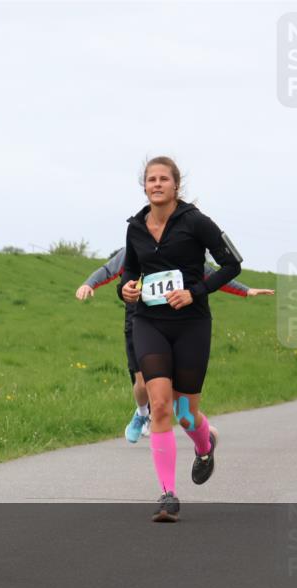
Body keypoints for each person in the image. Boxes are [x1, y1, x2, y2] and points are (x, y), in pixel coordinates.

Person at [117, 156, 242, 522]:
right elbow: (130, 272)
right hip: (149, 322)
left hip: (190, 323)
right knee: (160, 406)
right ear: (145, 186)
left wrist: (195, 292)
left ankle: (205, 446)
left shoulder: (196, 222)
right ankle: (168, 495)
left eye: (163, 179)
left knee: (186, 414)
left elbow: (232, 264)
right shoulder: (135, 227)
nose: (156, 184)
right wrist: (125, 290)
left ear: (175, 185)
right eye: (150, 179)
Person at [76, 250, 273, 443]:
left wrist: (245, 290)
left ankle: (179, 423)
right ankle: (142, 413)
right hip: (140, 321)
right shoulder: (136, 245)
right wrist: (88, 284)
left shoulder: (182, 246)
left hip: (174, 322)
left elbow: (210, 275)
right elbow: (108, 270)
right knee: (142, 382)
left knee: (169, 383)